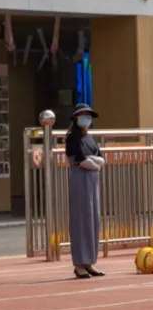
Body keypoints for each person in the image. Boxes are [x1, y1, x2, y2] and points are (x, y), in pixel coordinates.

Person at [65, 104, 106, 279]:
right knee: (81, 219)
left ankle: (89, 261)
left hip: (92, 179)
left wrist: (94, 162)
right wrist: (93, 162)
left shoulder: (90, 138)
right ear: (75, 117)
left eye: (88, 116)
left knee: (93, 218)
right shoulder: (72, 137)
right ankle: (79, 263)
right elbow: (79, 159)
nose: (86, 119)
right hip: (80, 177)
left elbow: (101, 158)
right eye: (82, 115)